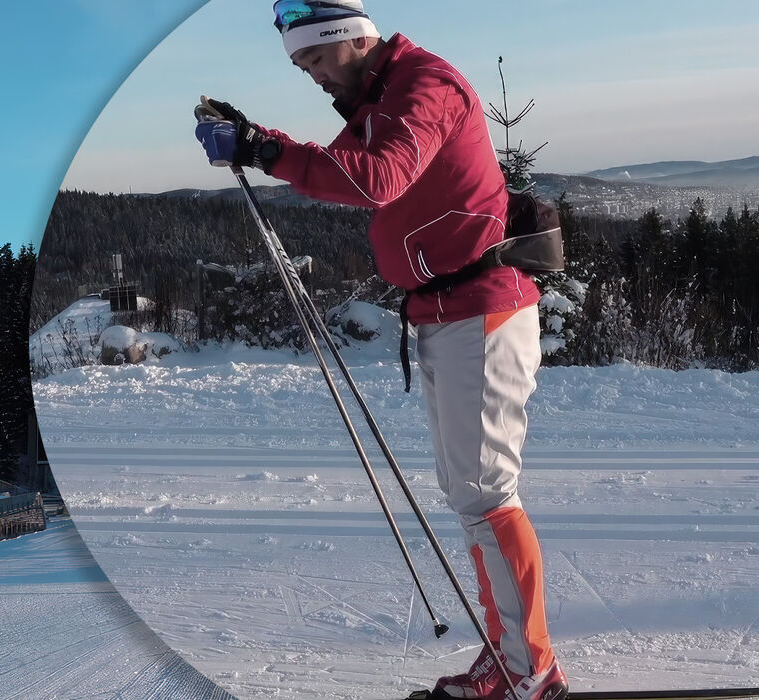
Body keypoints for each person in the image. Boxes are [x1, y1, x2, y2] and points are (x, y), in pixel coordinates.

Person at [193, 2, 565, 699]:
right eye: (300, 65)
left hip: (481, 310)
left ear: (346, 37)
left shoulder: (426, 85)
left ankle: (530, 671)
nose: (311, 75)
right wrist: (259, 138)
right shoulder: (383, 92)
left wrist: (264, 151)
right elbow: (362, 167)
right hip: (447, 312)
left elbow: (377, 178)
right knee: (472, 497)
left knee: (487, 498)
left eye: (314, 59)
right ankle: (512, 655)